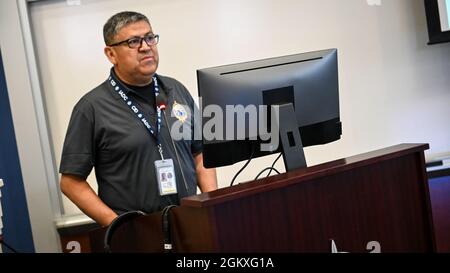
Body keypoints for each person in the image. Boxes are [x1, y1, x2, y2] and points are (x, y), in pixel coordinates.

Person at [59, 11, 217, 227]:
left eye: (150, 38)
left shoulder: (175, 90)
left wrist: (213, 207)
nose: (145, 47)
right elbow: (70, 182)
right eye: (133, 41)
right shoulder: (91, 108)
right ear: (111, 54)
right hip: (136, 232)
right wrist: (116, 225)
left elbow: (200, 153)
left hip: (189, 223)